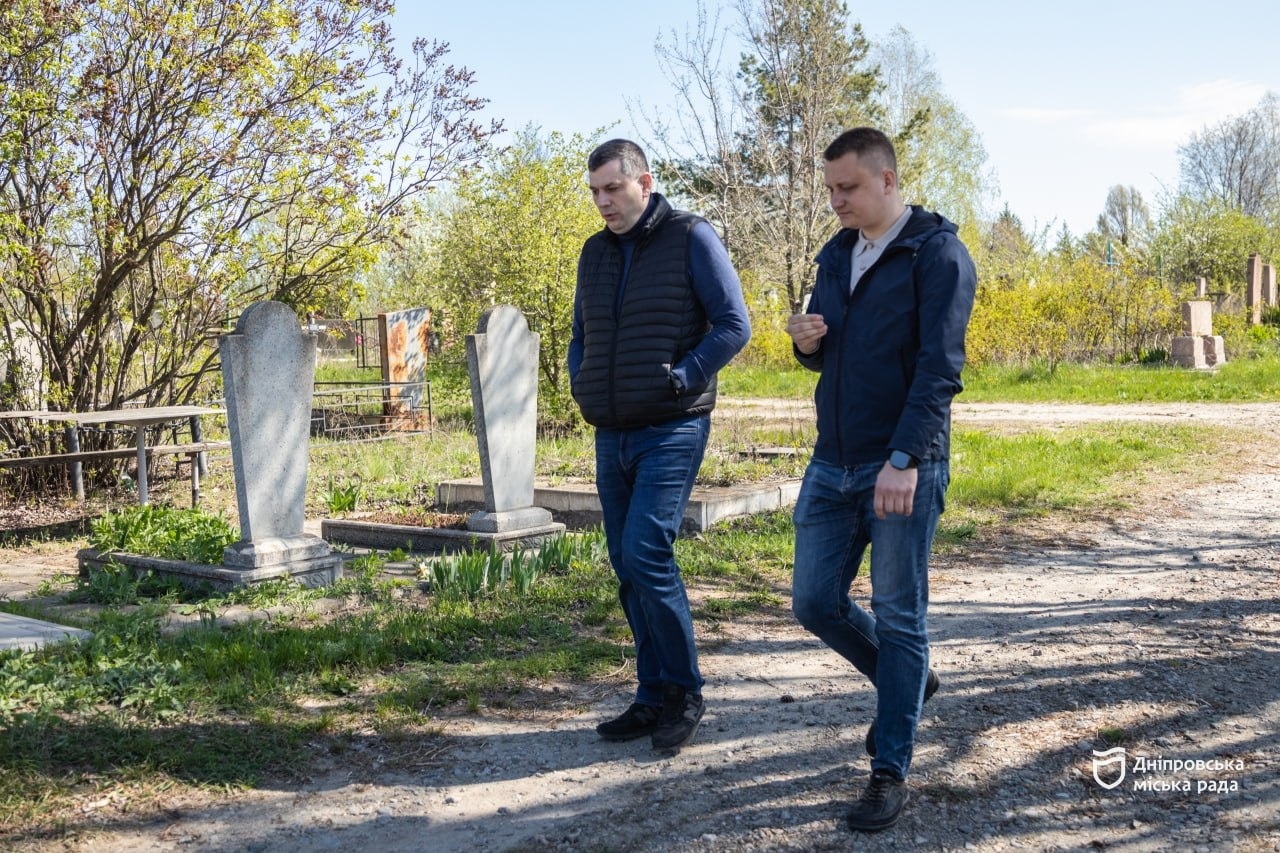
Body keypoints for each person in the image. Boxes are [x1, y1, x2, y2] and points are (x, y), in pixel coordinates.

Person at [785, 127, 976, 832]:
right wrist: (808, 345)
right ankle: (909, 680)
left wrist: (904, 460)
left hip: (901, 464)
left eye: (849, 187)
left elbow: (939, 369)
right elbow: (831, 354)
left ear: (888, 180)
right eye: (830, 189)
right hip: (832, 460)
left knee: (899, 618)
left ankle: (888, 770)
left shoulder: (937, 254)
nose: (836, 200)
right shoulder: (837, 254)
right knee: (814, 602)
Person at [569, 139, 751, 752]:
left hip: (672, 427)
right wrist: (580, 379)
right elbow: (581, 333)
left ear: (644, 183)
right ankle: (650, 697)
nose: (603, 202)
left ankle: (684, 693)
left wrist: (685, 375)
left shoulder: (692, 236)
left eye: (612, 189)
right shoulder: (594, 252)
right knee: (626, 565)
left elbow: (734, 324)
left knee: (647, 553)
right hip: (610, 431)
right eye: (595, 192)